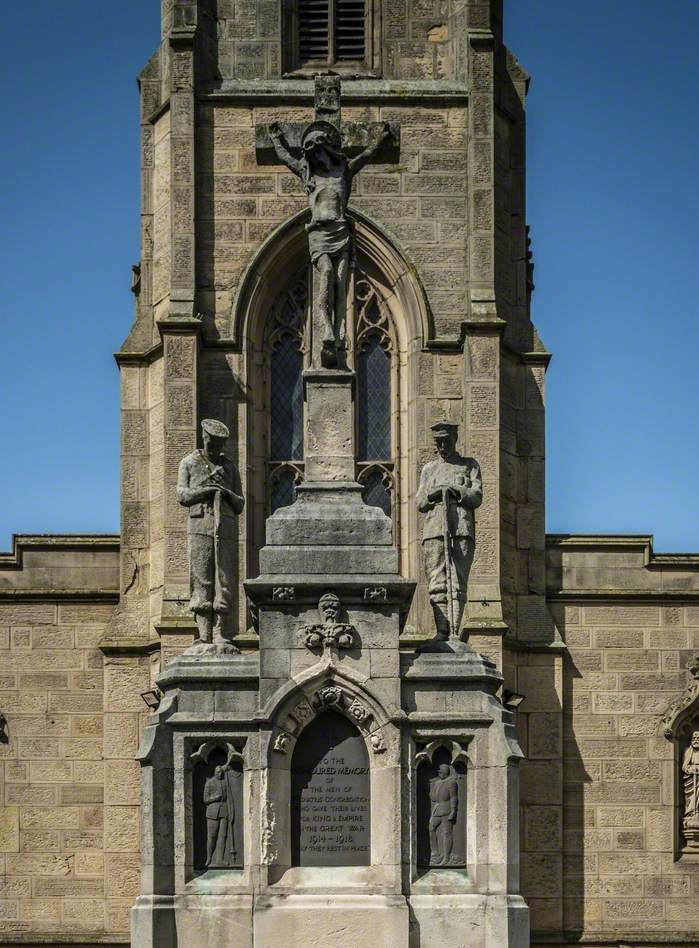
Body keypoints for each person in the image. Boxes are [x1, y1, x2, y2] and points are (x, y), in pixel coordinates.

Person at [269, 119, 392, 368]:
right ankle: (326, 328)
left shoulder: (343, 170)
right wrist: (275, 140)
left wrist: (380, 140)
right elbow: (285, 158)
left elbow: (366, 156)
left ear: (325, 146)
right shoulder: (307, 173)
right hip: (319, 234)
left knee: (340, 281)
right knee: (325, 273)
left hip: (340, 231)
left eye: (315, 145)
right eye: (308, 147)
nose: (312, 150)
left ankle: (337, 334)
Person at [177, 419, 244, 649]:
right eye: (211, 443)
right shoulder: (189, 463)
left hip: (224, 528)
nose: (215, 449)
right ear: (204, 438)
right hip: (199, 526)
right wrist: (205, 490)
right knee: (202, 578)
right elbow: (182, 495)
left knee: (223, 579)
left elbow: (240, 503)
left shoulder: (230, 468)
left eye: (219, 445)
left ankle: (220, 633)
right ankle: (204, 635)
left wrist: (226, 494)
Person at [416, 421, 482, 643]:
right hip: (434, 530)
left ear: (455, 440)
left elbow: (476, 496)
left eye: (446, 441)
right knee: (437, 580)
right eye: (438, 442)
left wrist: (457, 490)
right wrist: (434, 494)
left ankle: (455, 630)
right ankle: (442, 630)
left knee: (457, 581)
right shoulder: (429, 469)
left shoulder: (469, 465)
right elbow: (420, 502)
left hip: (461, 528)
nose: (442, 446)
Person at [428, 763, 459, 866]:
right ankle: (435, 853)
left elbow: (454, 797)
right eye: (439, 772)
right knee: (431, 827)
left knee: (446, 833)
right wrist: (431, 788)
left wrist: (453, 811)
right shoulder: (437, 783)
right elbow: (433, 798)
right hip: (437, 809)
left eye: (441, 772)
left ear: (446, 773)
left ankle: (447, 857)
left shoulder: (451, 782)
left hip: (447, 810)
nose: (439, 774)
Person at [203, 765, 230, 867]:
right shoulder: (209, 783)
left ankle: (220, 860)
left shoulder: (225, 782)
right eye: (218, 772)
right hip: (212, 812)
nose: (220, 774)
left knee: (223, 836)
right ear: (214, 772)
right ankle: (209, 858)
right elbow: (205, 799)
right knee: (211, 836)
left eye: (221, 772)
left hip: (224, 811)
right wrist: (215, 798)